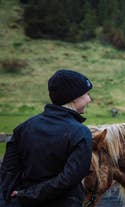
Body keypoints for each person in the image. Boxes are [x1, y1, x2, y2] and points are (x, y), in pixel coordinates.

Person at [0, 69, 93, 206]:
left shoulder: (24, 128)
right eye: (86, 94)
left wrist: (18, 198)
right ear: (74, 97)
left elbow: (8, 172)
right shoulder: (80, 132)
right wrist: (28, 195)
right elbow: (69, 179)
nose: (89, 99)